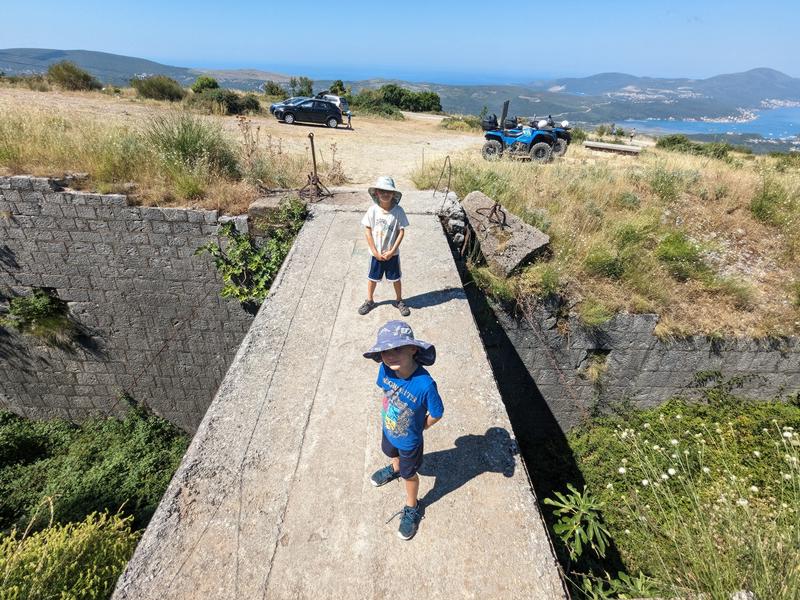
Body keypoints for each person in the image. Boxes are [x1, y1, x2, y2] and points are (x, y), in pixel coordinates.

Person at [364, 320, 444, 540]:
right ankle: (395, 467)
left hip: (410, 441)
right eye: (385, 351)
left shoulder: (425, 384)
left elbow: (437, 412)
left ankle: (412, 506)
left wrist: (420, 428)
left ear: (413, 349)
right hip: (389, 429)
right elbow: (385, 392)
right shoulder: (385, 370)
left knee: (410, 474)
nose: (390, 356)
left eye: (397, 348)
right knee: (390, 452)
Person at [358, 176, 410, 317]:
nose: (385, 194)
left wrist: (392, 250)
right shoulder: (373, 210)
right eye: (382, 191)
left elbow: (401, 232)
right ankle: (369, 300)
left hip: (392, 255)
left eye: (388, 191)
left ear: (393, 193)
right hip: (376, 254)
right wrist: (374, 251)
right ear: (377, 193)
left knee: (396, 278)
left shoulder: (398, 211)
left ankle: (399, 300)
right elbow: (367, 230)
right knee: (372, 278)